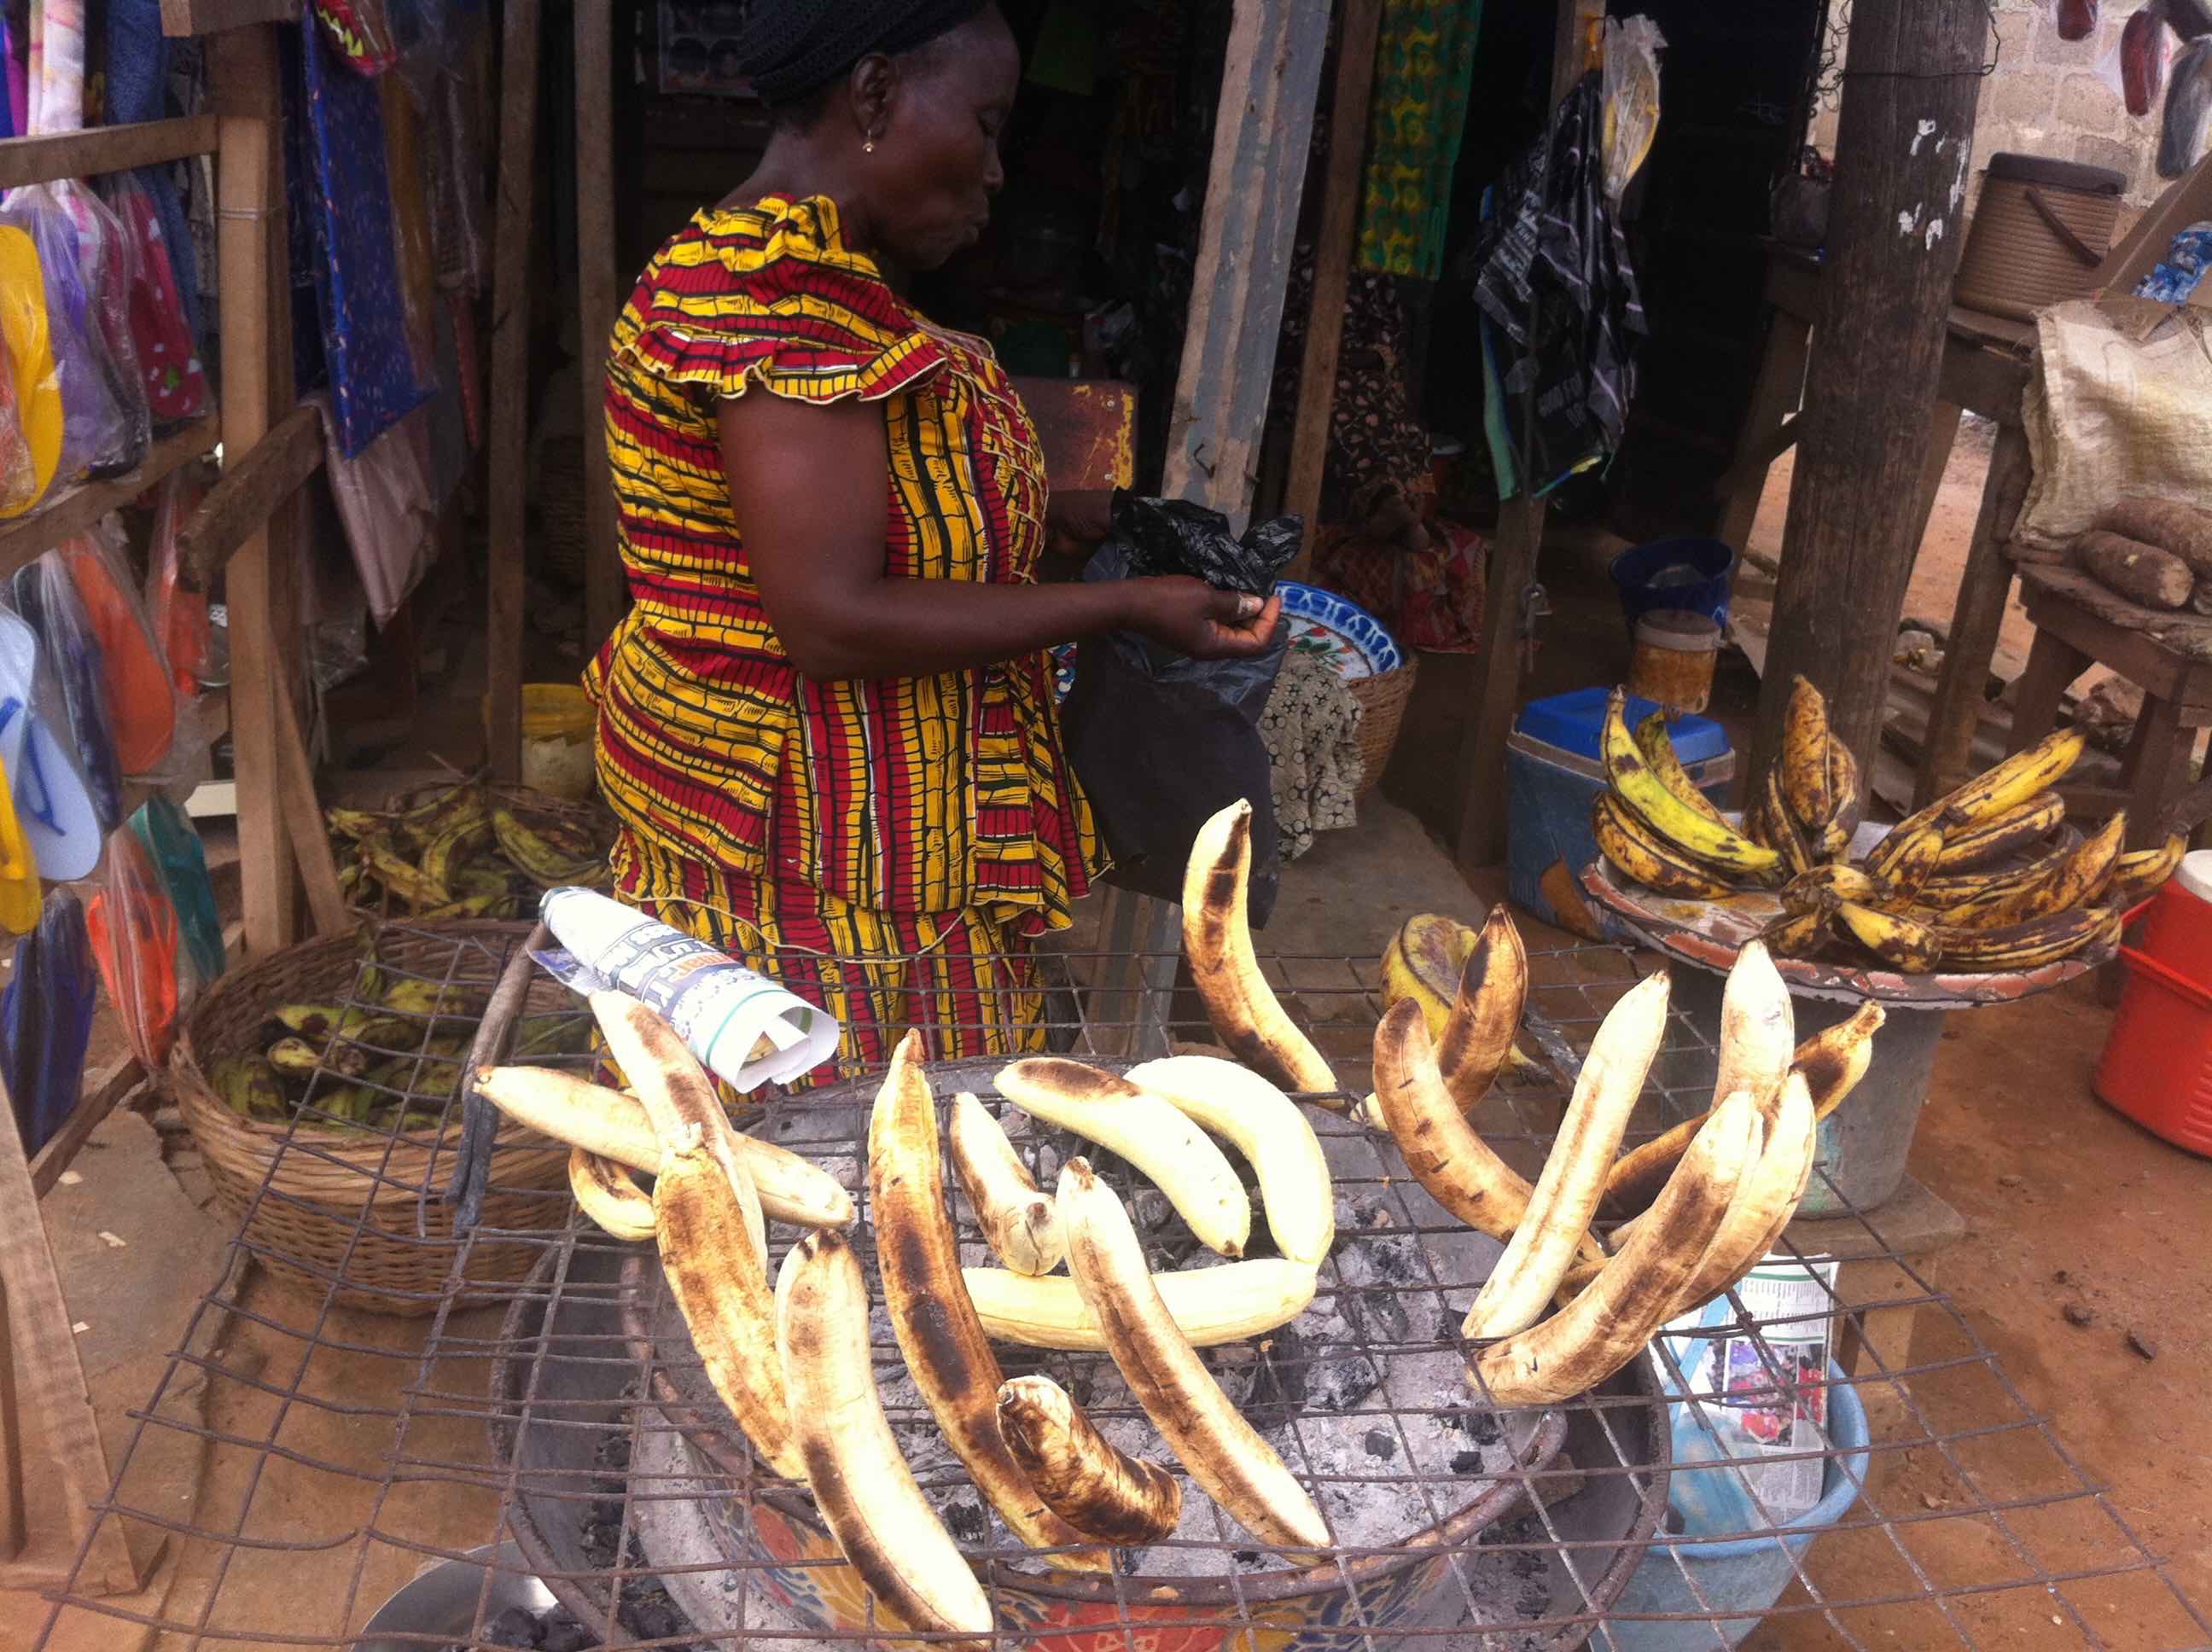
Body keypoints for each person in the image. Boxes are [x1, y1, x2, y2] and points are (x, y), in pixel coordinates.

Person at [587, 0, 1282, 1086]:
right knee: (863, 1160)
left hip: (856, 824)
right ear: (872, 95)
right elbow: (832, 617)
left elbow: (866, 498)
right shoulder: (773, 299)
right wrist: (1126, 604)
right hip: (819, 862)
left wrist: (1055, 513)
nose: (997, 170)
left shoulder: (805, 283)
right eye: (985, 122)